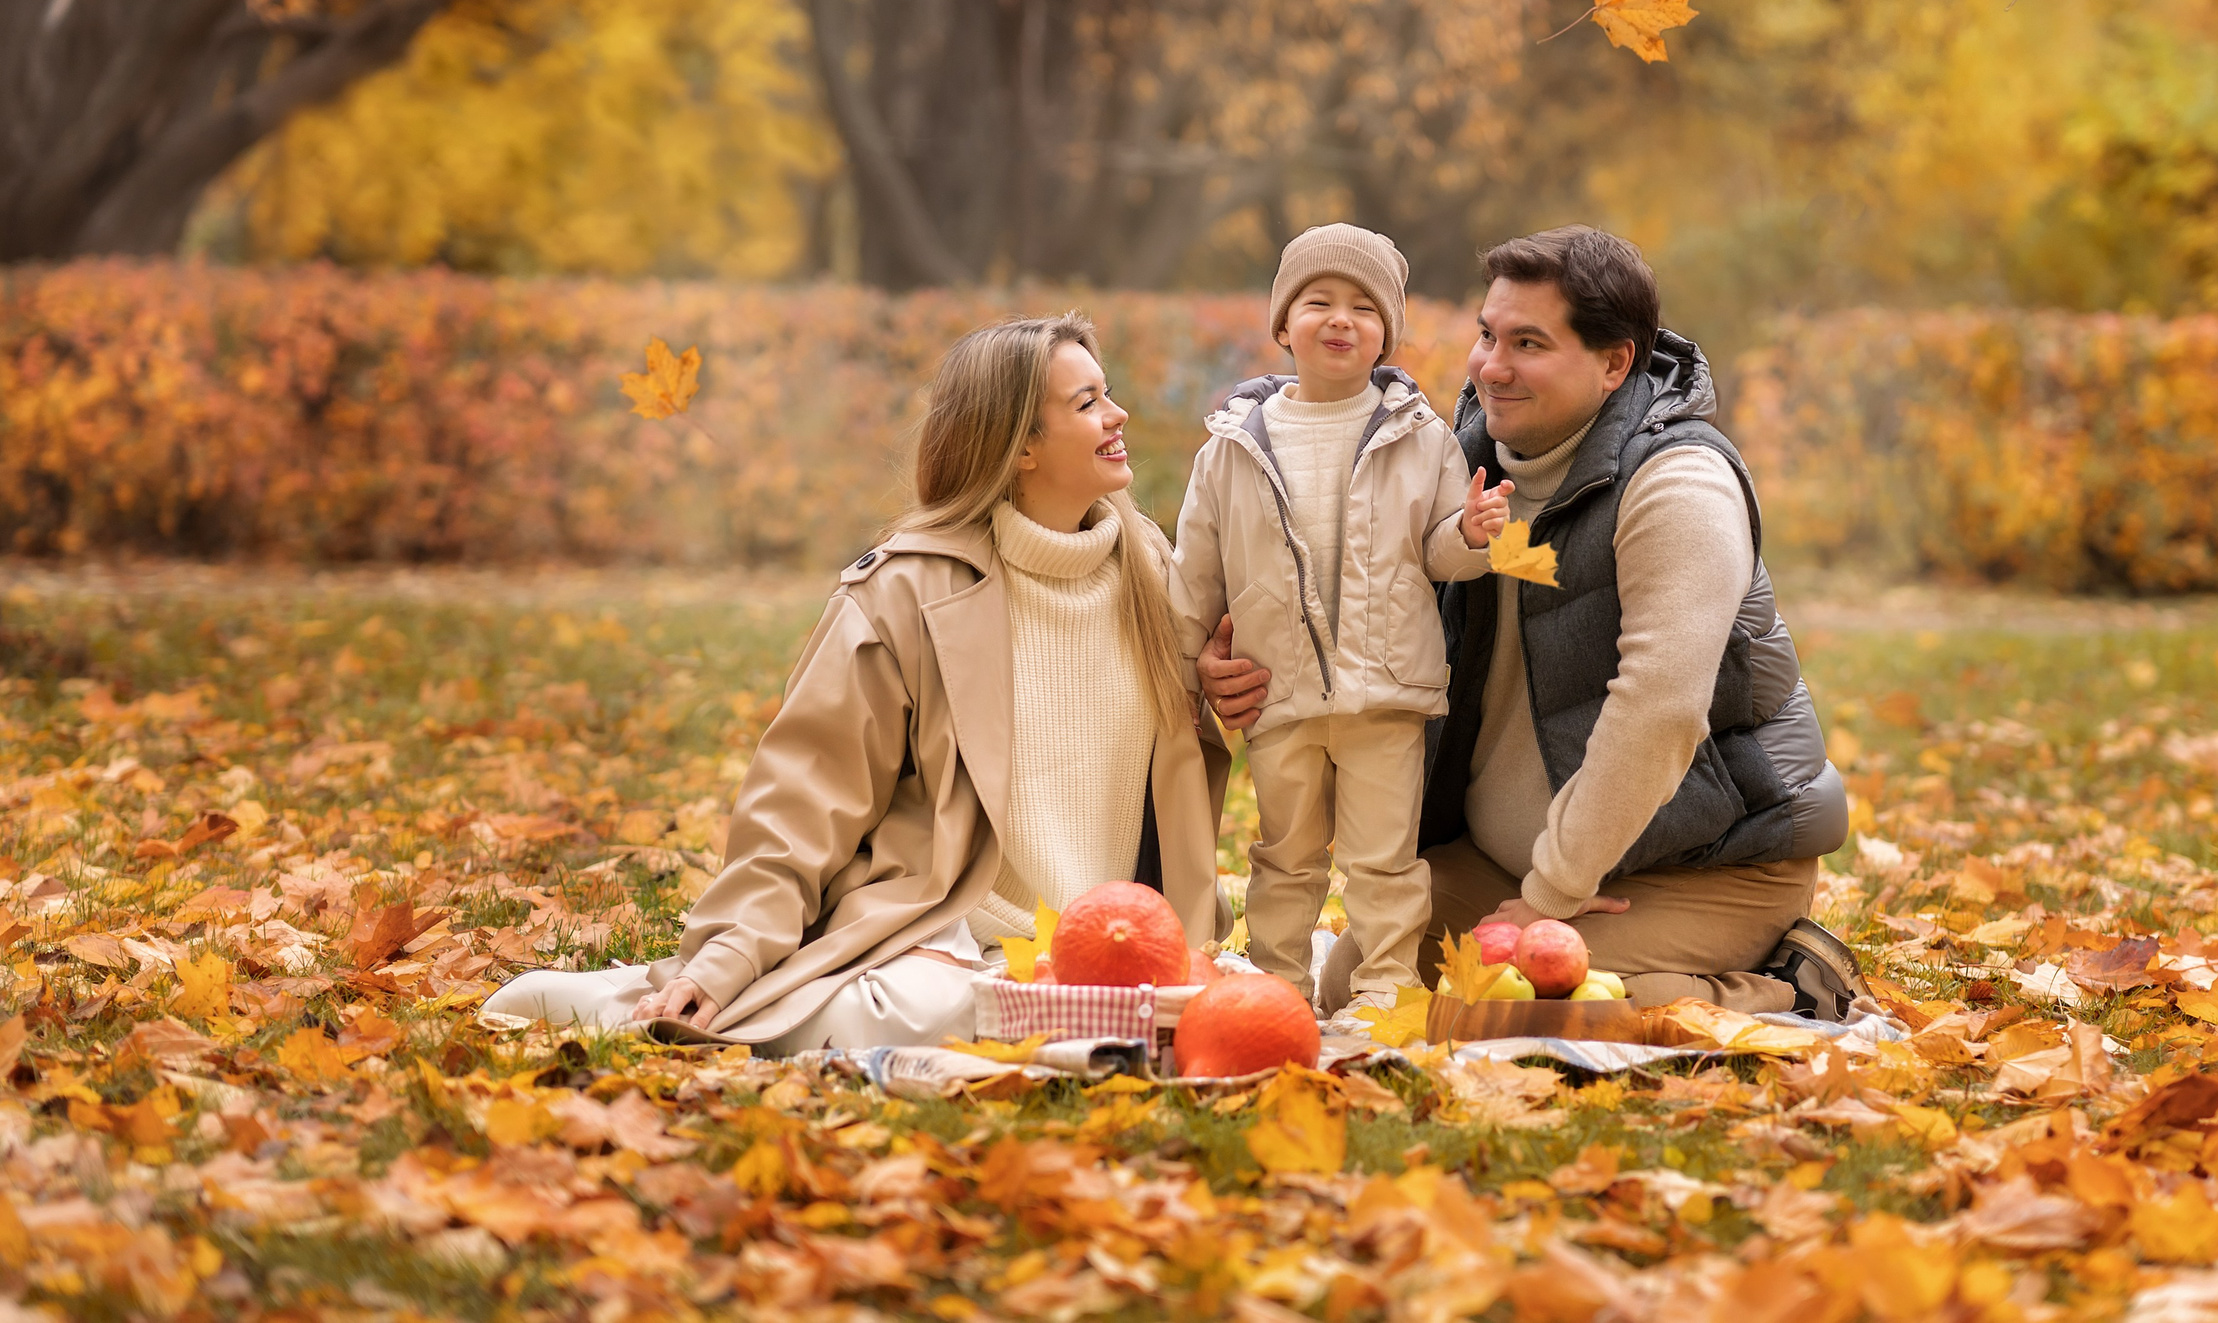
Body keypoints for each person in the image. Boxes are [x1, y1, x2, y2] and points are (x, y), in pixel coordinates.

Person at [483, 314, 1230, 1053]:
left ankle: (1045, 1015)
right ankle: (647, 999)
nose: (1117, 412)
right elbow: (805, 795)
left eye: (1106, 392)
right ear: (1021, 445)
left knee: (1254, 994)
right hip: (957, 938)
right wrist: (727, 954)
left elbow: (1192, 748)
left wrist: (1225, 688)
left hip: (1115, 942)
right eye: (1086, 401)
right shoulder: (905, 592)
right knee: (922, 1012)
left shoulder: (1148, 566)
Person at [1204, 227, 1866, 1018]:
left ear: (1615, 363)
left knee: (1508, 1006)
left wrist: (1553, 892)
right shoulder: (1463, 455)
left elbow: (1661, 706)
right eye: (1487, 334)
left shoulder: (1679, 485)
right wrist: (1236, 654)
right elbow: (1352, 579)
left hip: (1699, 865)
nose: (1491, 366)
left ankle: (1783, 985)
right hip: (1506, 861)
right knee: (1366, 992)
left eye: (1528, 343)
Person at [1170, 224, 1511, 1017]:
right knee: (1283, 855)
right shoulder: (1231, 448)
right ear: (1283, 324)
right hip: (1277, 690)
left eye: (1364, 307)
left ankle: (1386, 988)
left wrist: (1470, 535)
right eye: (1318, 301)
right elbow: (1196, 571)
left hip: (1386, 689)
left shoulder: (1419, 435)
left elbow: (1436, 555)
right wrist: (1187, 667)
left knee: (1383, 858)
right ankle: (1279, 986)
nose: (1340, 319)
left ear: (1385, 333)